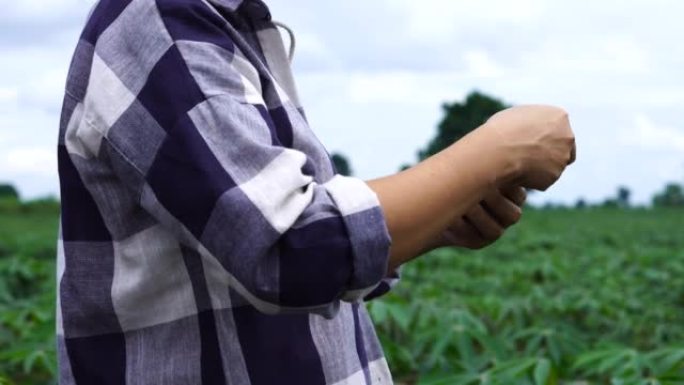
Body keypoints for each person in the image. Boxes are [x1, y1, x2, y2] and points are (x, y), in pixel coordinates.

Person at [55, 0, 575, 384]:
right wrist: (499, 148)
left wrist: (434, 224)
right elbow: (290, 250)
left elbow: (258, 241)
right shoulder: (165, 25)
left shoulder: (225, 30)